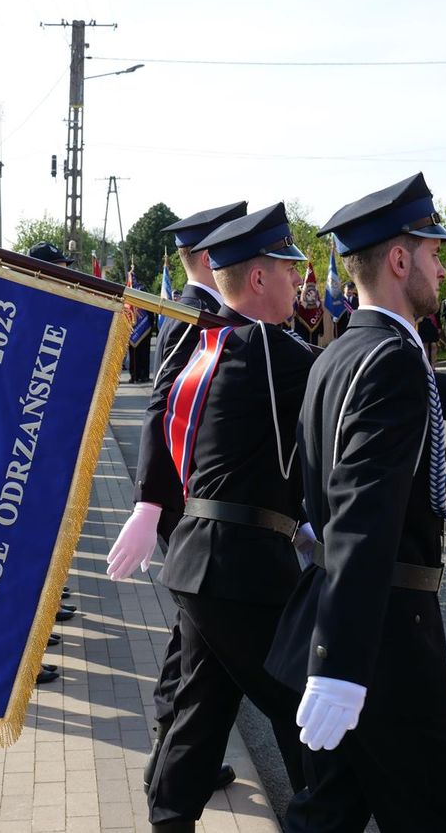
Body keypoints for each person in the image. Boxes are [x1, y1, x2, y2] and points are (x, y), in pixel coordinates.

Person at [265, 173, 446, 832]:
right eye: (434, 252)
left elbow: (367, 489)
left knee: (327, 813)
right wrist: (341, 663)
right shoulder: (391, 360)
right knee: (440, 814)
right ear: (399, 259)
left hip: (348, 621)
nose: (444, 267)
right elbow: (363, 516)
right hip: (384, 639)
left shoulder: (338, 354)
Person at [141, 202, 311, 832]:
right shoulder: (267, 345)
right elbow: (357, 378)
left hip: (204, 558)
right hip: (239, 564)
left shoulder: (217, 342)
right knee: (304, 709)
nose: (301, 279)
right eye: (289, 268)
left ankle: (169, 816)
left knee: (204, 704)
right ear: (260, 278)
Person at [106, 200, 247, 795]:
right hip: (188, 502)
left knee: (195, 631)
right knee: (205, 633)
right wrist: (149, 504)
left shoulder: (203, 311)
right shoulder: (191, 314)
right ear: (211, 257)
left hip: (189, 501)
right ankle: (172, 764)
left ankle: (172, 755)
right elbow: (160, 410)